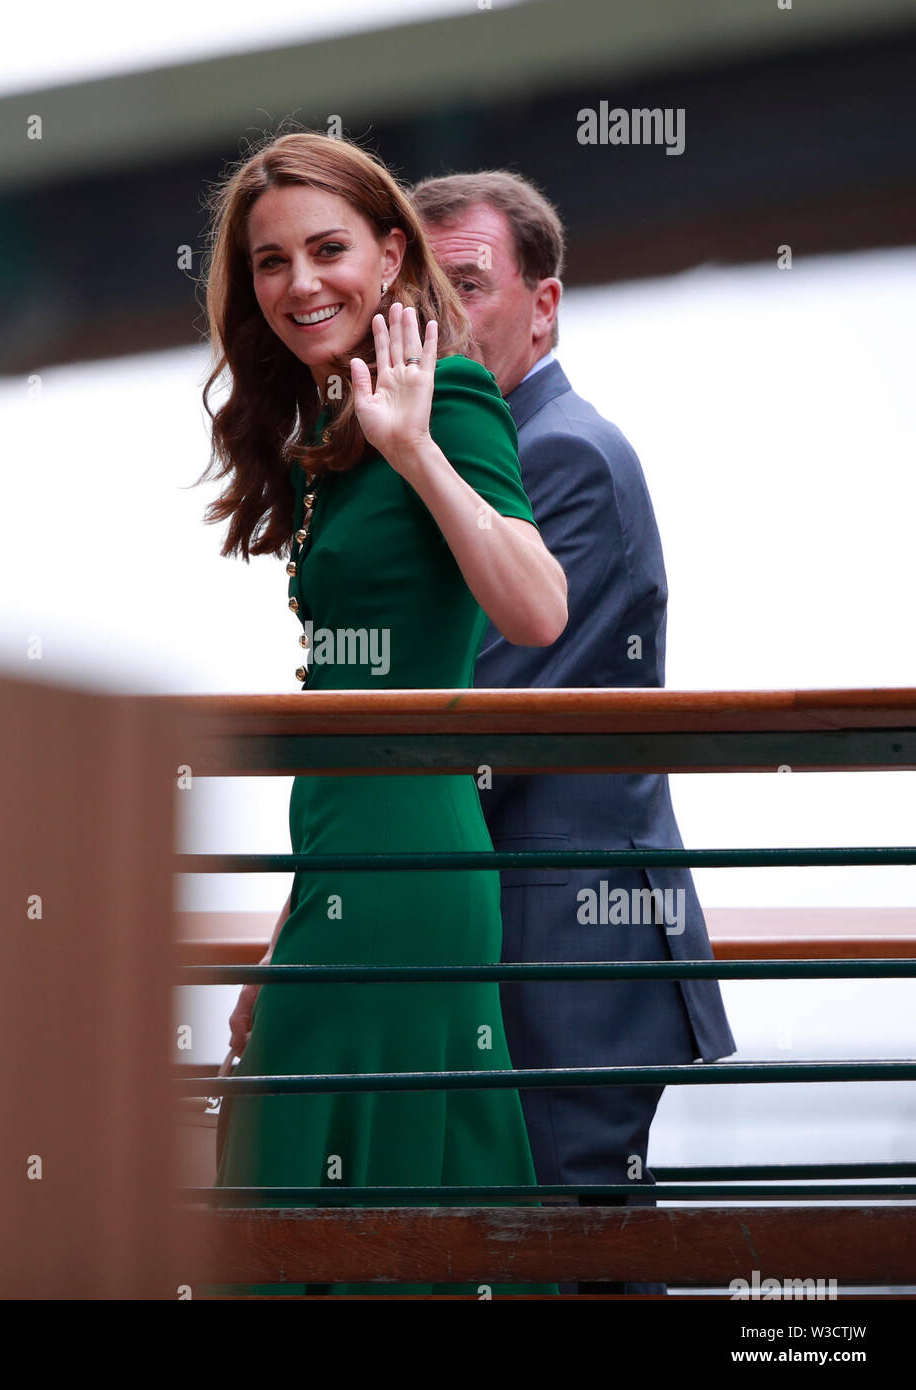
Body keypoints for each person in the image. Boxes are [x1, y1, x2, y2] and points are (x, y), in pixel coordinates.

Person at [197, 131, 568, 1296]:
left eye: (326, 249)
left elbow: (537, 604)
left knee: (307, 1198)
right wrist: (293, 919)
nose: (299, 283)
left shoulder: (440, 397)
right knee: (311, 1187)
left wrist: (415, 448)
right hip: (347, 862)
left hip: (410, 870)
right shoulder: (330, 427)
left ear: (390, 251)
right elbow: (346, 699)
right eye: (269, 262)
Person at [412, 170, 737, 1295]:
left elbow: (478, 724)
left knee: (578, 1259)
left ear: (542, 304)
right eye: (426, 289)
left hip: (570, 960)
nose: (445, 318)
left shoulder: (559, 458)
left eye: (469, 284)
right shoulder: (497, 455)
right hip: (559, 946)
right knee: (560, 1256)